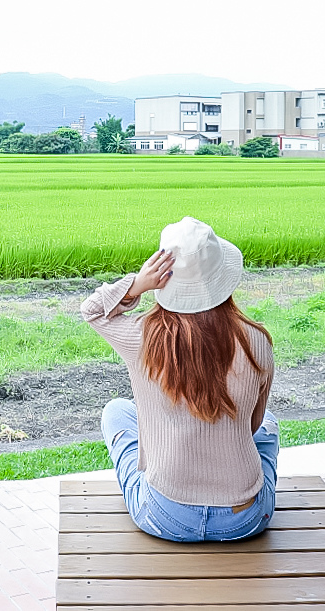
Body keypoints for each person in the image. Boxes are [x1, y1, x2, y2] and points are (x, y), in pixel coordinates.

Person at [80, 216, 278, 542]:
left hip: (167, 516)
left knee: (116, 412)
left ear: (164, 277)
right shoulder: (256, 342)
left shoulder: (142, 336)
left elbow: (92, 310)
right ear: (223, 276)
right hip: (243, 520)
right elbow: (253, 425)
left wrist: (137, 284)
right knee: (268, 427)